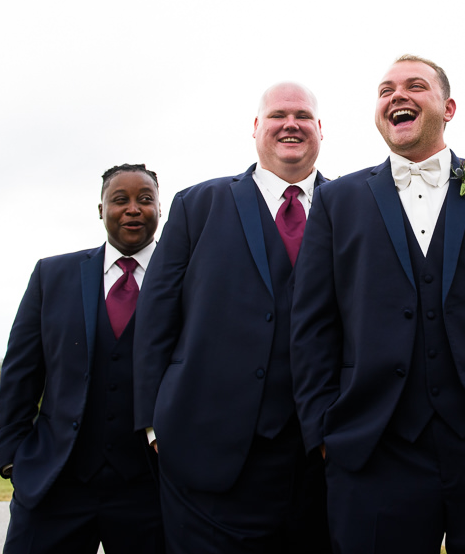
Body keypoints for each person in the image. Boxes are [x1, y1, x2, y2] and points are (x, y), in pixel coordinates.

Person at [291, 55, 465, 554]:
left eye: (414, 86)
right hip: (373, 451)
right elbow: (313, 325)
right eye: (386, 90)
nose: (397, 96)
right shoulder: (338, 201)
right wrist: (323, 430)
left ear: (447, 108)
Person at [134, 83, 331, 554]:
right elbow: (156, 316)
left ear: (320, 129)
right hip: (207, 448)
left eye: (302, 115)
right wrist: (153, 422)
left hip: (318, 454)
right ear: (256, 127)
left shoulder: (351, 205)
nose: (291, 124)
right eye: (277, 114)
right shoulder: (196, 205)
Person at [0, 163, 165, 554]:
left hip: (151, 487)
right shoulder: (52, 275)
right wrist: (13, 458)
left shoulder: (186, 277)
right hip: (57, 482)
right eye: (119, 200)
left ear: (160, 208)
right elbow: (21, 371)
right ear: (101, 210)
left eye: (145, 199)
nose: (133, 208)